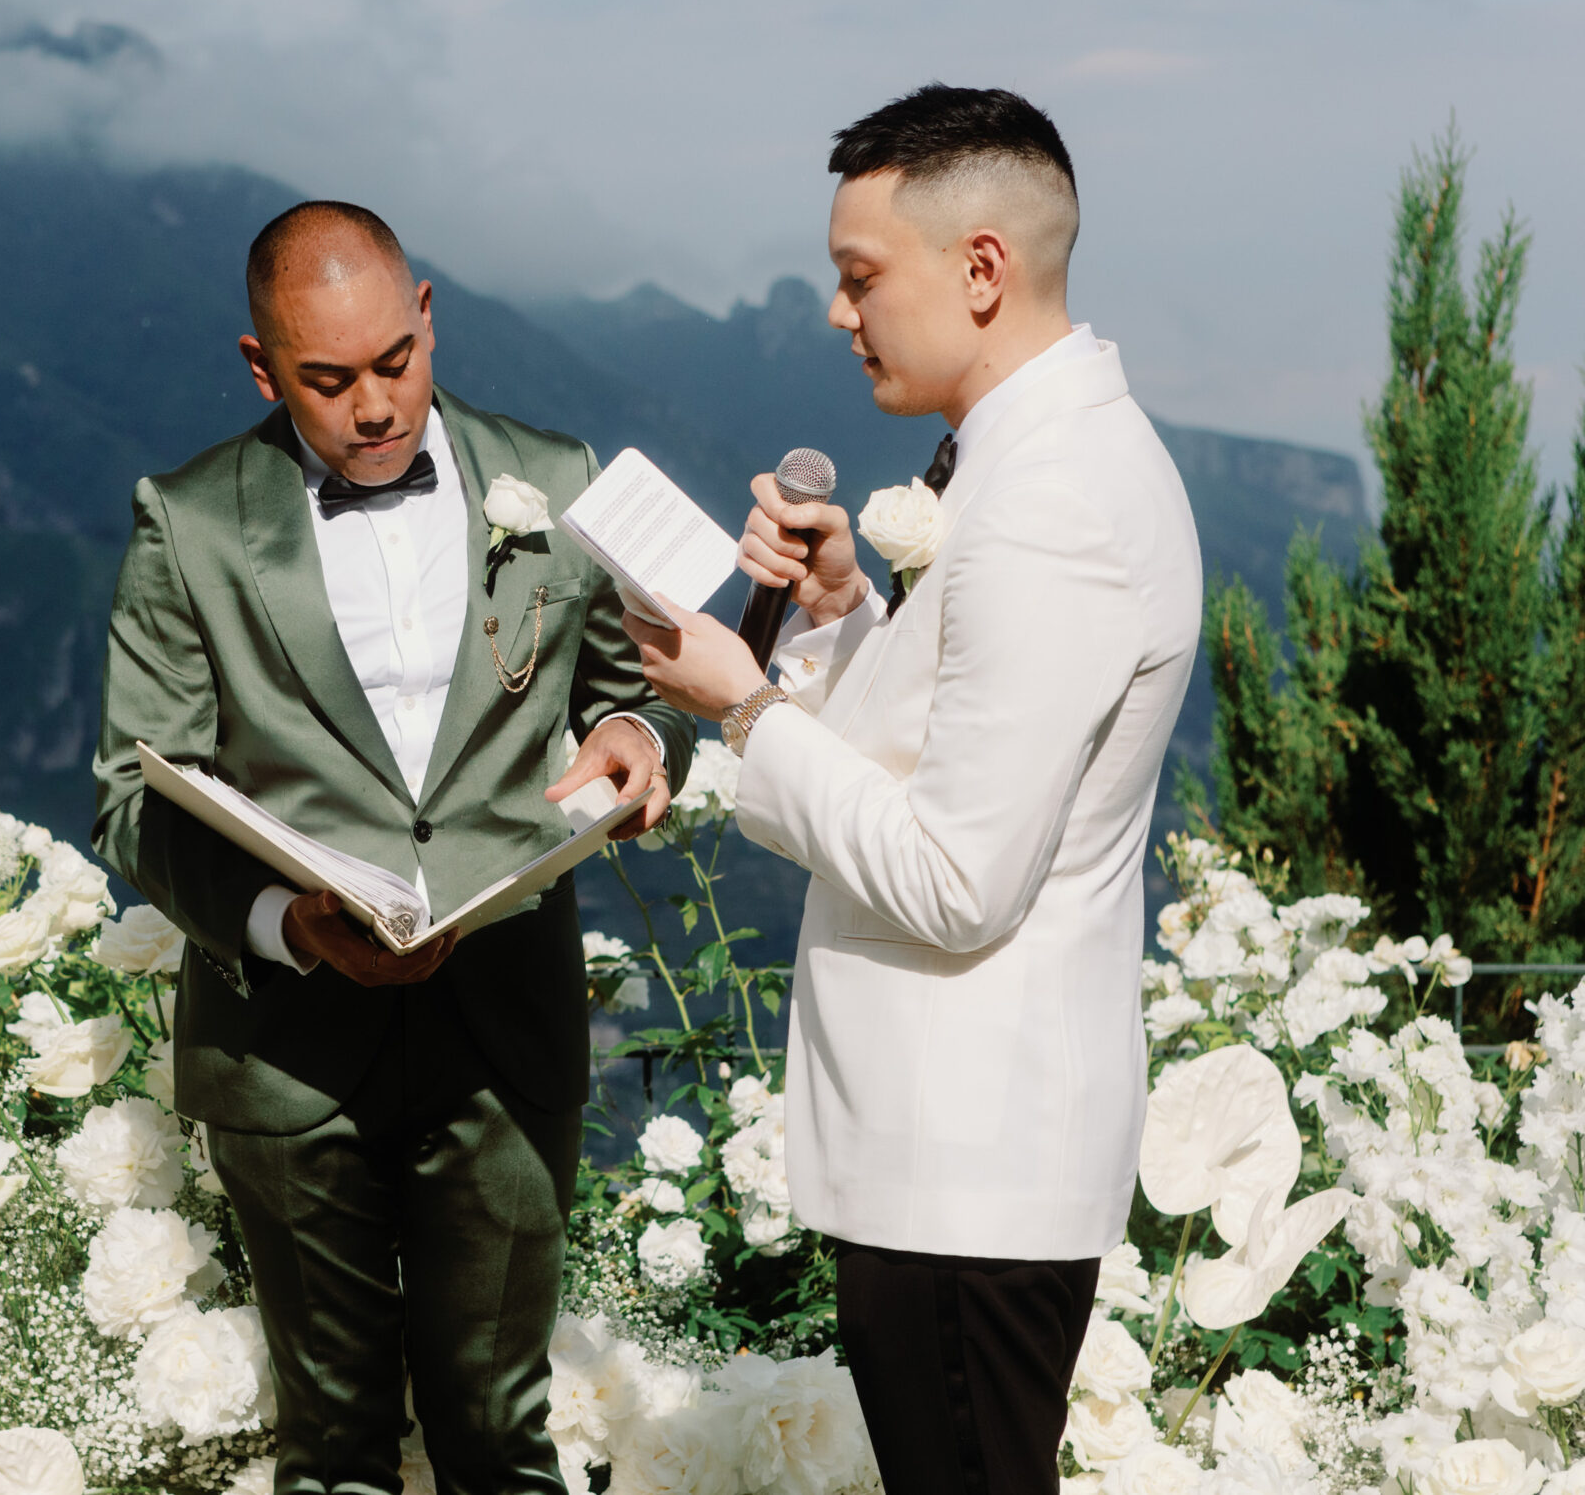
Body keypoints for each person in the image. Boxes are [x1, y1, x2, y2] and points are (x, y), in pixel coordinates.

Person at [625, 87, 1201, 1495]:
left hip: (968, 1153)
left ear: (984, 267)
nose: (837, 310)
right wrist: (835, 607)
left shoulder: (1051, 499)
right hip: (957, 1148)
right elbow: (951, 729)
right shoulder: (1024, 456)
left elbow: (958, 876)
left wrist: (747, 706)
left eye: (862, 276)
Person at [92, 201, 694, 1495]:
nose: (374, 406)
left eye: (394, 363)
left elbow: (622, 691)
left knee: (501, 1432)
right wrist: (281, 921)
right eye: (327, 380)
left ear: (428, 314)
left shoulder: (560, 477)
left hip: (506, 1025)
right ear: (261, 368)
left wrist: (639, 740)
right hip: (290, 1053)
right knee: (335, 1448)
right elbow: (128, 796)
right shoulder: (189, 520)